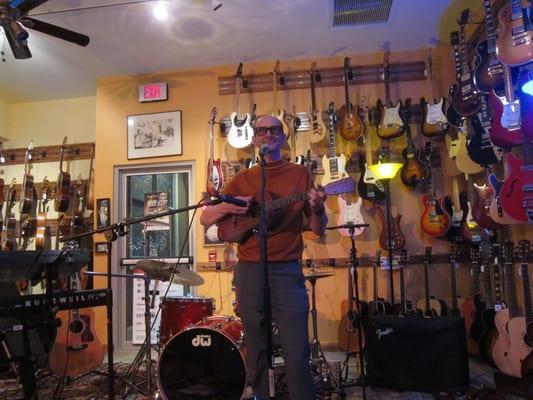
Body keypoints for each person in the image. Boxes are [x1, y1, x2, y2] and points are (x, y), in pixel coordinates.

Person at [200, 115, 327, 400]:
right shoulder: (242, 179)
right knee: (256, 348)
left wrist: (318, 209)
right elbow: (207, 217)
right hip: (249, 270)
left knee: (296, 350)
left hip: (286, 269)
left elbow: (318, 229)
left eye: (274, 130)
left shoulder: (300, 174)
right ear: (254, 139)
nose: (267, 134)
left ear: (283, 137)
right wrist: (236, 208)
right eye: (261, 130)